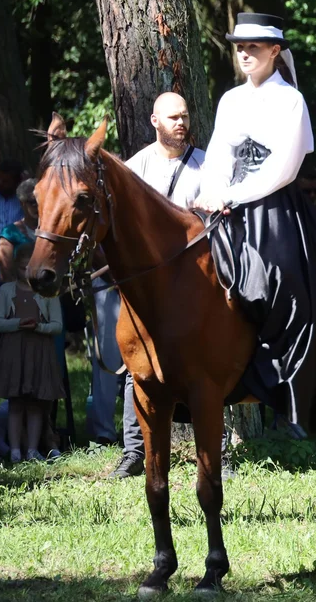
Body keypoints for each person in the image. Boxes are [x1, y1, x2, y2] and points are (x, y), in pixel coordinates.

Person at [194, 11, 316, 434]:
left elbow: (284, 167)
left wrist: (232, 195)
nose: (244, 54)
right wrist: (212, 191)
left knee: (282, 285)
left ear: (275, 51)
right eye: (240, 47)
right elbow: (220, 153)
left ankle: (287, 390)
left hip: (275, 210)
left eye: (254, 47)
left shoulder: (290, 101)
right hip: (225, 207)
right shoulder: (230, 100)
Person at [107, 92, 208, 479]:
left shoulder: (206, 165)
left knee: (208, 364)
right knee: (139, 369)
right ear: (154, 121)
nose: (180, 123)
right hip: (148, 289)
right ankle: (135, 451)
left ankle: (219, 450)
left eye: (184, 116)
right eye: (172, 118)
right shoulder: (134, 168)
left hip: (197, 283)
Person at [0, 244, 64, 462]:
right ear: (16, 267)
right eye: (22, 267)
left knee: (35, 404)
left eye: (30, 267)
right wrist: (18, 323)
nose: (26, 272)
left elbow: (57, 325)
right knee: (15, 402)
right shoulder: (6, 291)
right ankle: (14, 450)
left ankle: (32, 449)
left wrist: (39, 327)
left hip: (39, 351)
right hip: (14, 351)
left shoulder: (48, 293)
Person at [0, 179, 39, 281]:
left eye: (42, 201)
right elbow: (6, 272)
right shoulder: (10, 233)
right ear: (22, 203)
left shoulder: (54, 231)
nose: (38, 206)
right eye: (33, 202)